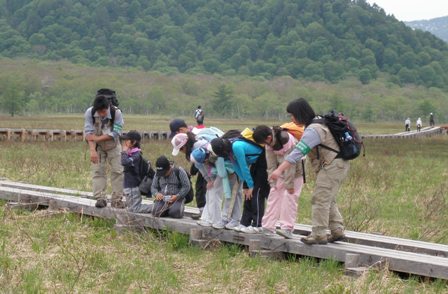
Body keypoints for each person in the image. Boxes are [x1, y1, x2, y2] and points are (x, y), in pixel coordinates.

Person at [270, 98, 350, 245]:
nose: (291, 119)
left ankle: (318, 234)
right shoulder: (317, 123)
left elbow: (298, 153)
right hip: (336, 164)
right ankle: (337, 230)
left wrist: (278, 170)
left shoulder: (313, 129)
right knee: (327, 197)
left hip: (333, 165)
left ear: (300, 113)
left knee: (320, 199)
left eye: (292, 115)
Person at [210, 131, 267, 233]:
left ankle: (257, 224)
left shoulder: (236, 147)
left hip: (262, 161)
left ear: (224, 149)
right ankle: (245, 223)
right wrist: (245, 186)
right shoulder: (229, 151)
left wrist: (250, 185)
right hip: (253, 163)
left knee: (255, 193)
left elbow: (244, 167)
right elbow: (237, 168)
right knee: (248, 195)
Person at [253, 125, 304, 239]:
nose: (265, 145)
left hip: (295, 172)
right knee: (274, 195)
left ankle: (287, 228)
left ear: (269, 137)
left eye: (264, 142)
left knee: (289, 198)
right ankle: (267, 226)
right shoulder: (268, 143)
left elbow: (292, 163)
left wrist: (289, 185)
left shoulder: (286, 139)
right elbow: (270, 164)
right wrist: (272, 182)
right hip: (279, 172)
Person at [84, 95, 125, 209]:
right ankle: (100, 198)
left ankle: (117, 199)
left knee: (118, 171)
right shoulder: (89, 113)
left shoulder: (116, 113)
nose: (102, 114)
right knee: (98, 171)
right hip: (98, 147)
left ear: (108, 107)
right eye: (99, 112)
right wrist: (92, 151)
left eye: (104, 111)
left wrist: (97, 138)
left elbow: (116, 132)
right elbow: (88, 133)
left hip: (114, 145)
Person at [169, 119, 207, 214]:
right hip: (202, 164)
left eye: (176, 133)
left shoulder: (195, 135)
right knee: (200, 187)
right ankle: (203, 211)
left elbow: (200, 154)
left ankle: (206, 212)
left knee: (204, 188)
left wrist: (193, 170)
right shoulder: (189, 134)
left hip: (208, 164)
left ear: (181, 130)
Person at [120, 131, 152, 213]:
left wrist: (124, 152)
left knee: (134, 209)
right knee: (132, 208)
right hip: (129, 187)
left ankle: (156, 207)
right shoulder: (130, 153)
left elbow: (124, 162)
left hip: (132, 187)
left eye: (127, 140)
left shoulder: (136, 155)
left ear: (134, 142)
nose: (125, 142)